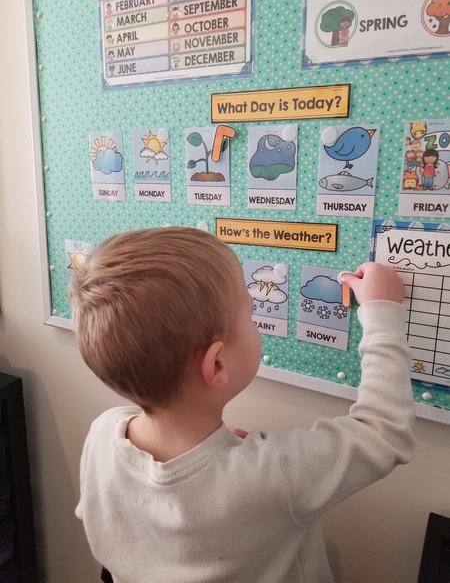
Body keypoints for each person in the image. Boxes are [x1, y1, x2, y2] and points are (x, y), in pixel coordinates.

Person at [72, 227, 415, 583]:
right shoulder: (272, 476)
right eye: (250, 313)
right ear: (217, 364)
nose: (255, 321)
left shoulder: (103, 433)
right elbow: (384, 432)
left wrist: (218, 462)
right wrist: (381, 311)